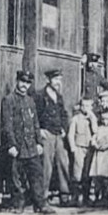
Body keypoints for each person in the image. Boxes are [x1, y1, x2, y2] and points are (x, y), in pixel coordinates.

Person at [0, 70, 49, 215]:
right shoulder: (9, 100)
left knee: (36, 175)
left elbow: (35, 123)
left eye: (27, 83)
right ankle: (18, 204)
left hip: (31, 146)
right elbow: (7, 126)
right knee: (17, 178)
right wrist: (12, 145)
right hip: (18, 146)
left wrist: (39, 143)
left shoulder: (30, 101)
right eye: (22, 82)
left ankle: (40, 204)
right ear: (17, 81)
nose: (24, 86)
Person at [36, 68, 73, 206]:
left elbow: (64, 114)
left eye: (60, 80)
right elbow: (35, 114)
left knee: (63, 163)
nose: (58, 82)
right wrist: (39, 130)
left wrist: (64, 128)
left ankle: (65, 195)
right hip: (47, 135)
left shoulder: (59, 96)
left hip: (58, 134)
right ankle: (43, 196)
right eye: (56, 79)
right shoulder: (40, 96)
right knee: (46, 166)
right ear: (48, 80)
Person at [67, 96, 96, 206]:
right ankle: (74, 197)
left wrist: (92, 118)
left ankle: (86, 197)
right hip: (79, 147)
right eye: (83, 105)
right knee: (77, 172)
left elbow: (95, 131)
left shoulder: (93, 118)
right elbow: (71, 134)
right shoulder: (75, 119)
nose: (86, 108)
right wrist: (72, 147)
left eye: (88, 106)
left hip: (89, 148)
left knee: (87, 172)